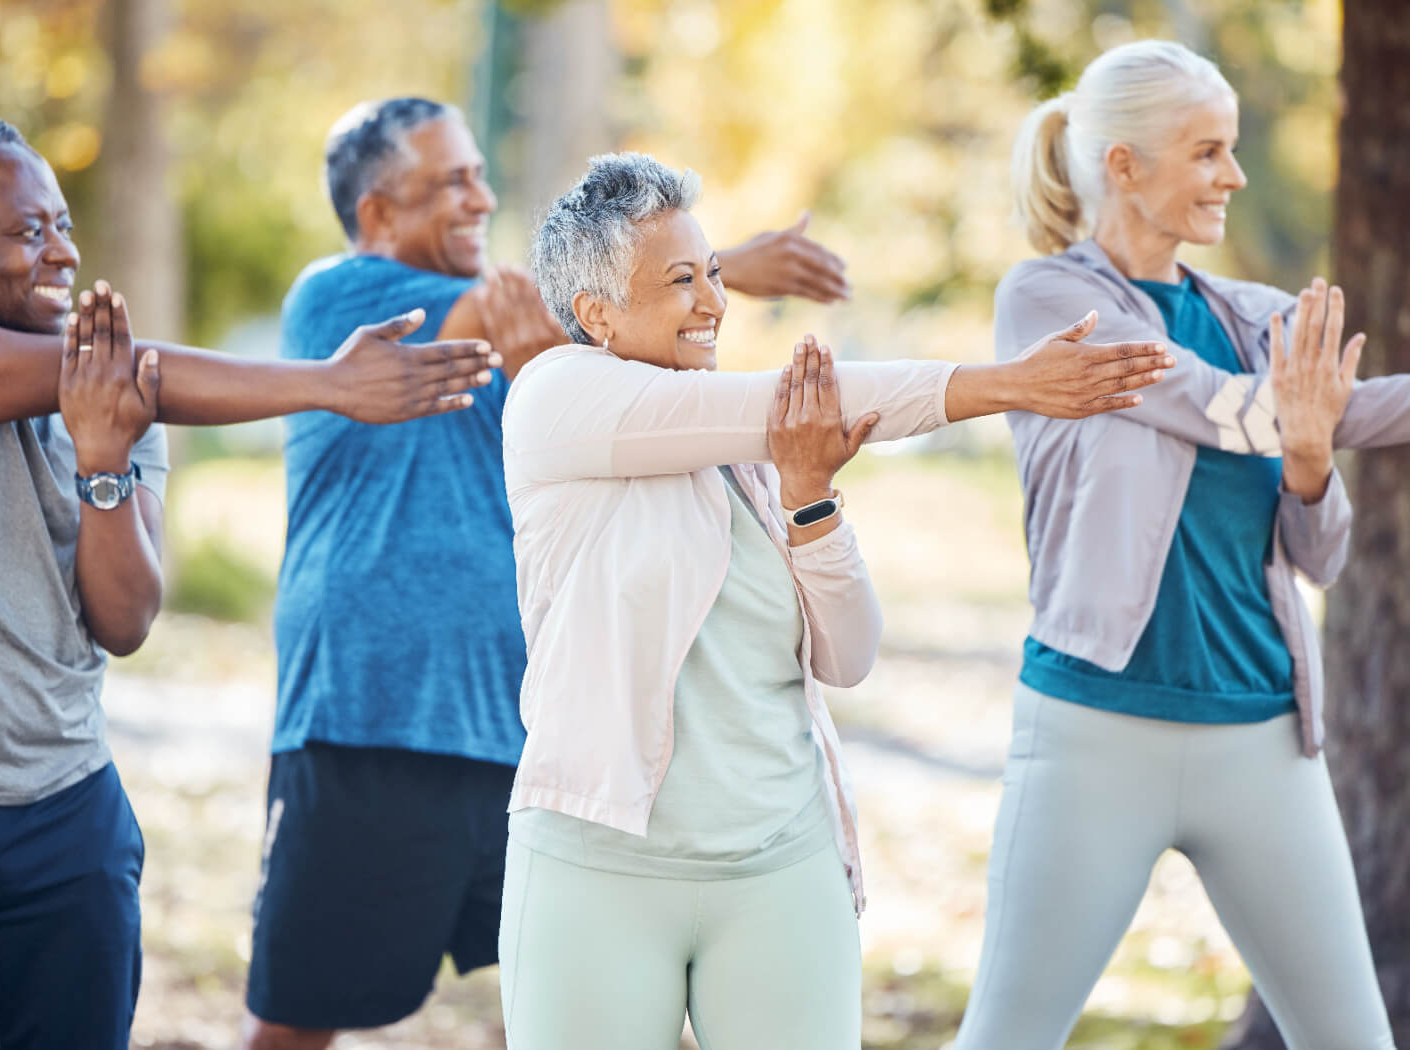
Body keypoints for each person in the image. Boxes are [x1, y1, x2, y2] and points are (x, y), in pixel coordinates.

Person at [0, 117, 499, 1050]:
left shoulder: (128, 411)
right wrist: (325, 385)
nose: (61, 250)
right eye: (26, 232)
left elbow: (125, 619)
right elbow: (116, 374)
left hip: (61, 816)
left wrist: (104, 463)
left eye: (61, 224)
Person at [495, 151, 1173, 1050]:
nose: (713, 302)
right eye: (681, 280)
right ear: (595, 314)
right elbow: (801, 401)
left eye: (716, 274)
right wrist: (1004, 383)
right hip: (597, 863)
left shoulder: (746, 452)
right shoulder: (554, 398)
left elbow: (848, 657)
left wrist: (810, 497)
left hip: (781, 860)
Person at [241, 97, 875, 1050]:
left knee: (551, 990)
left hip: (524, 721)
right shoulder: (340, 298)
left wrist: (699, 278)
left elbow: (604, 321)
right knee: (303, 1016)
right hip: (371, 713)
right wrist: (730, 263)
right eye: (451, 179)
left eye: (479, 175)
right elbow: (535, 310)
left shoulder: (552, 345)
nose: (480, 196)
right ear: (376, 213)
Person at [957, 40, 1410, 1047]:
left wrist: (1308, 458)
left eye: (1234, 151)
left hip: (1262, 741)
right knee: (1006, 1037)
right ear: (1122, 164)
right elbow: (1208, 406)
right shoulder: (1047, 305)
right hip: (1093, 733)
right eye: (1206, 152)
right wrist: (1305, 417)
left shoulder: (1260, 321)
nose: (1233, 178)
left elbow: (1320, 550)